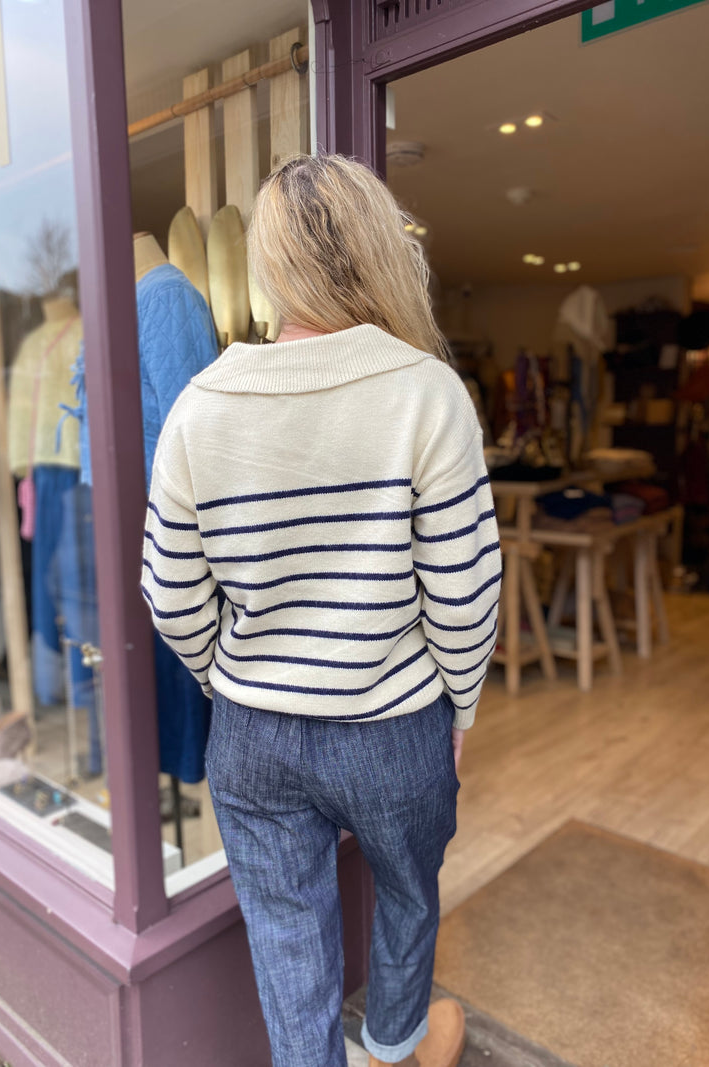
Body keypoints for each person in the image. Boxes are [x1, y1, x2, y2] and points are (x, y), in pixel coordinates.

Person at [141, 154, 502, 1067]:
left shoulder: (201, 404)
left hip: (253, 732)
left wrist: (232, 678)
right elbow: (465, 594)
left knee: (287, 937)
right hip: (393, 720)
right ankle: (394, 1048)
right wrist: (457, 707)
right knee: (410, 890)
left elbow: (169, 589)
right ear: (380, 248)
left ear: (268, 265)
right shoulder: (427, 392)